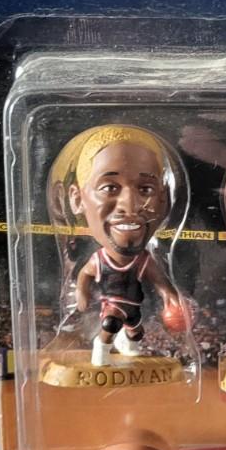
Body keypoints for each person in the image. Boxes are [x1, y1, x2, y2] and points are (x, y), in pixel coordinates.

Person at [68, 125, 183, 367]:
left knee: (136, 333)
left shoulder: (143, 260)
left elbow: (159, 281)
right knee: (110, 324)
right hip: (112, 304)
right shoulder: (100, 259)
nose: (130, 205)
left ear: (163, 199)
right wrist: (81, 292)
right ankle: (101, 351)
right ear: (78, 199)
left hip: (133, 304)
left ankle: (128, 346)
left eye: (145, 189)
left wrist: (169, 295)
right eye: (109, 187)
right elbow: (85, 274)